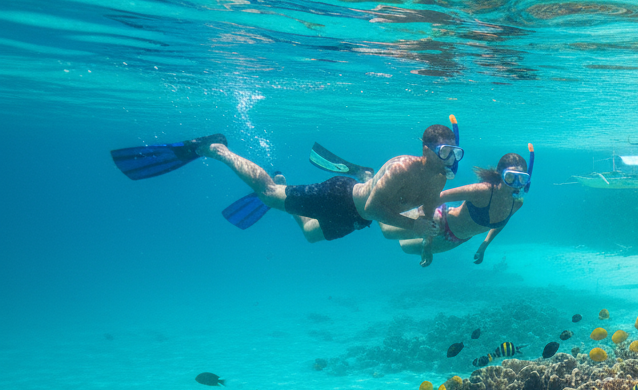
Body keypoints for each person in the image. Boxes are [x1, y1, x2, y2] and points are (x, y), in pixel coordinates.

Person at [109, 121, 464, 244]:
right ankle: (215, 149)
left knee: (310, 236)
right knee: (267, 195)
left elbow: (428, 219)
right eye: (444, 152)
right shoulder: (401, 167)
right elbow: (374, 207)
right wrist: (414, 224)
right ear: (425, 149)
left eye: (454, 154)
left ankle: (363, 175)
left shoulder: (437, 177)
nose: (449, 160)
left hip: (357, 219)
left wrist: (428, 244)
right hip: (339, 198)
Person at [399, 147, 532, 266]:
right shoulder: (482, 190)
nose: (515, 183)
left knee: (406, 247)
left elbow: (501, 222)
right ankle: (391, 198)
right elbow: (438, 198)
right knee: (388, 228)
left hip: (455, 239)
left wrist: (484, 245)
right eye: (510, 177)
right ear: (499, 174)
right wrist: (427, 241)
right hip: (439, 219)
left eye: (521, 178)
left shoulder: (516, 203)